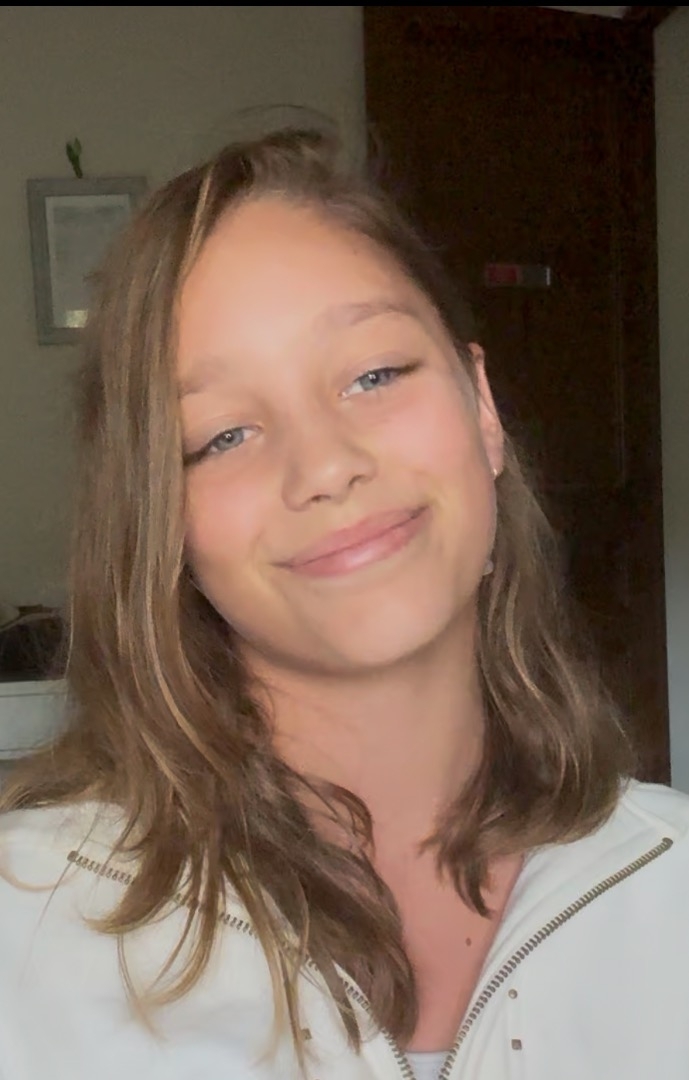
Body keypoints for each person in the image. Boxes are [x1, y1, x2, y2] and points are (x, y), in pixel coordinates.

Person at [0, 128, 687, 1080]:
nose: (324, 466)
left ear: (482, 406)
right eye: (223, 435)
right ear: (162, 525)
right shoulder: (26, 930)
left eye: (374, 375)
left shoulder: (669, 884)